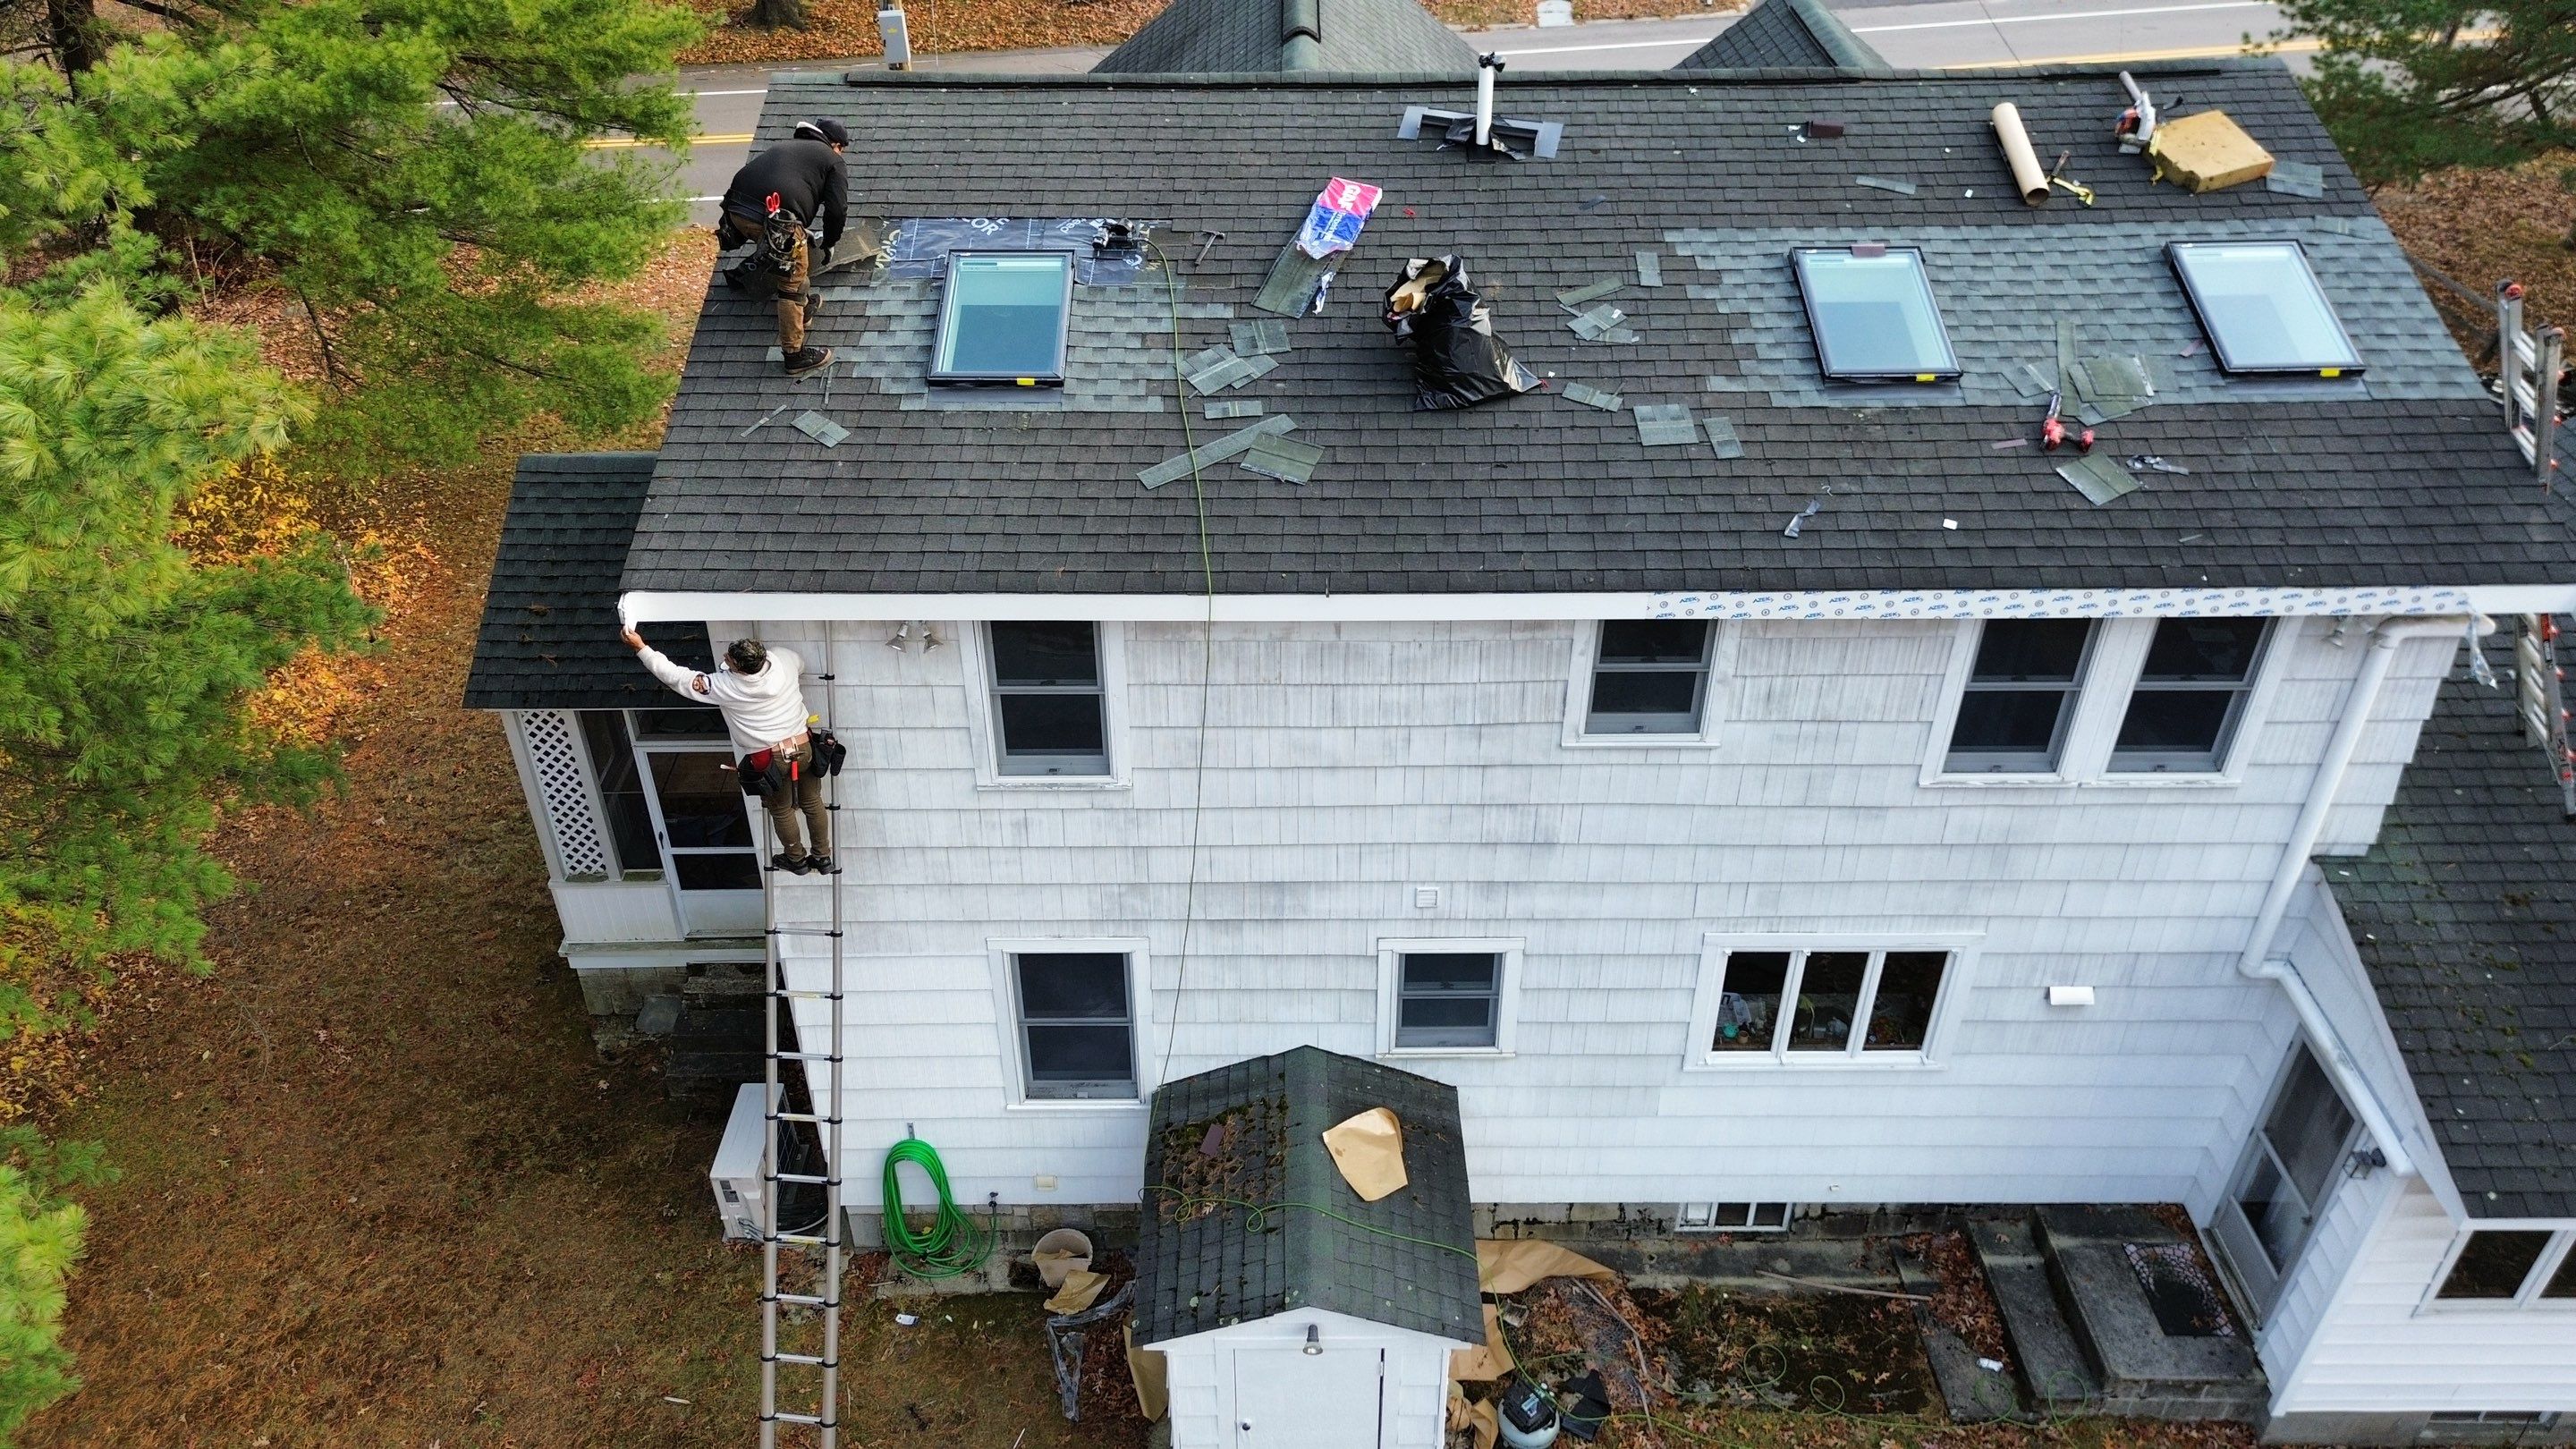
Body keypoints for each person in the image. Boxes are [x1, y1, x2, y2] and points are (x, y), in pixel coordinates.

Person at [623, 629, 833, 876]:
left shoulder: (725, 685)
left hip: (770, 758)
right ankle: (823, 857)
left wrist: (641, 648)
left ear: (740, 669)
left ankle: (796, 860)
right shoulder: (782, 659)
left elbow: (675, 677)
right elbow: (800, 665)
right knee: (812, 802)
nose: (725, 657)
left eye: (730, 660)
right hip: (803, 746)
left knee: (783, 809)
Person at [716, 116, 850, 378]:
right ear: (834, 144)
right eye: (841, 149)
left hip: (736, 213)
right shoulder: (832, 160)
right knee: (793, 280)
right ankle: (795, 356)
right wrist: (831, 242)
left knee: (787, 250)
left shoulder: (785, 148)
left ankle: (802, 306)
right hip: (777, 222)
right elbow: (837, 209)